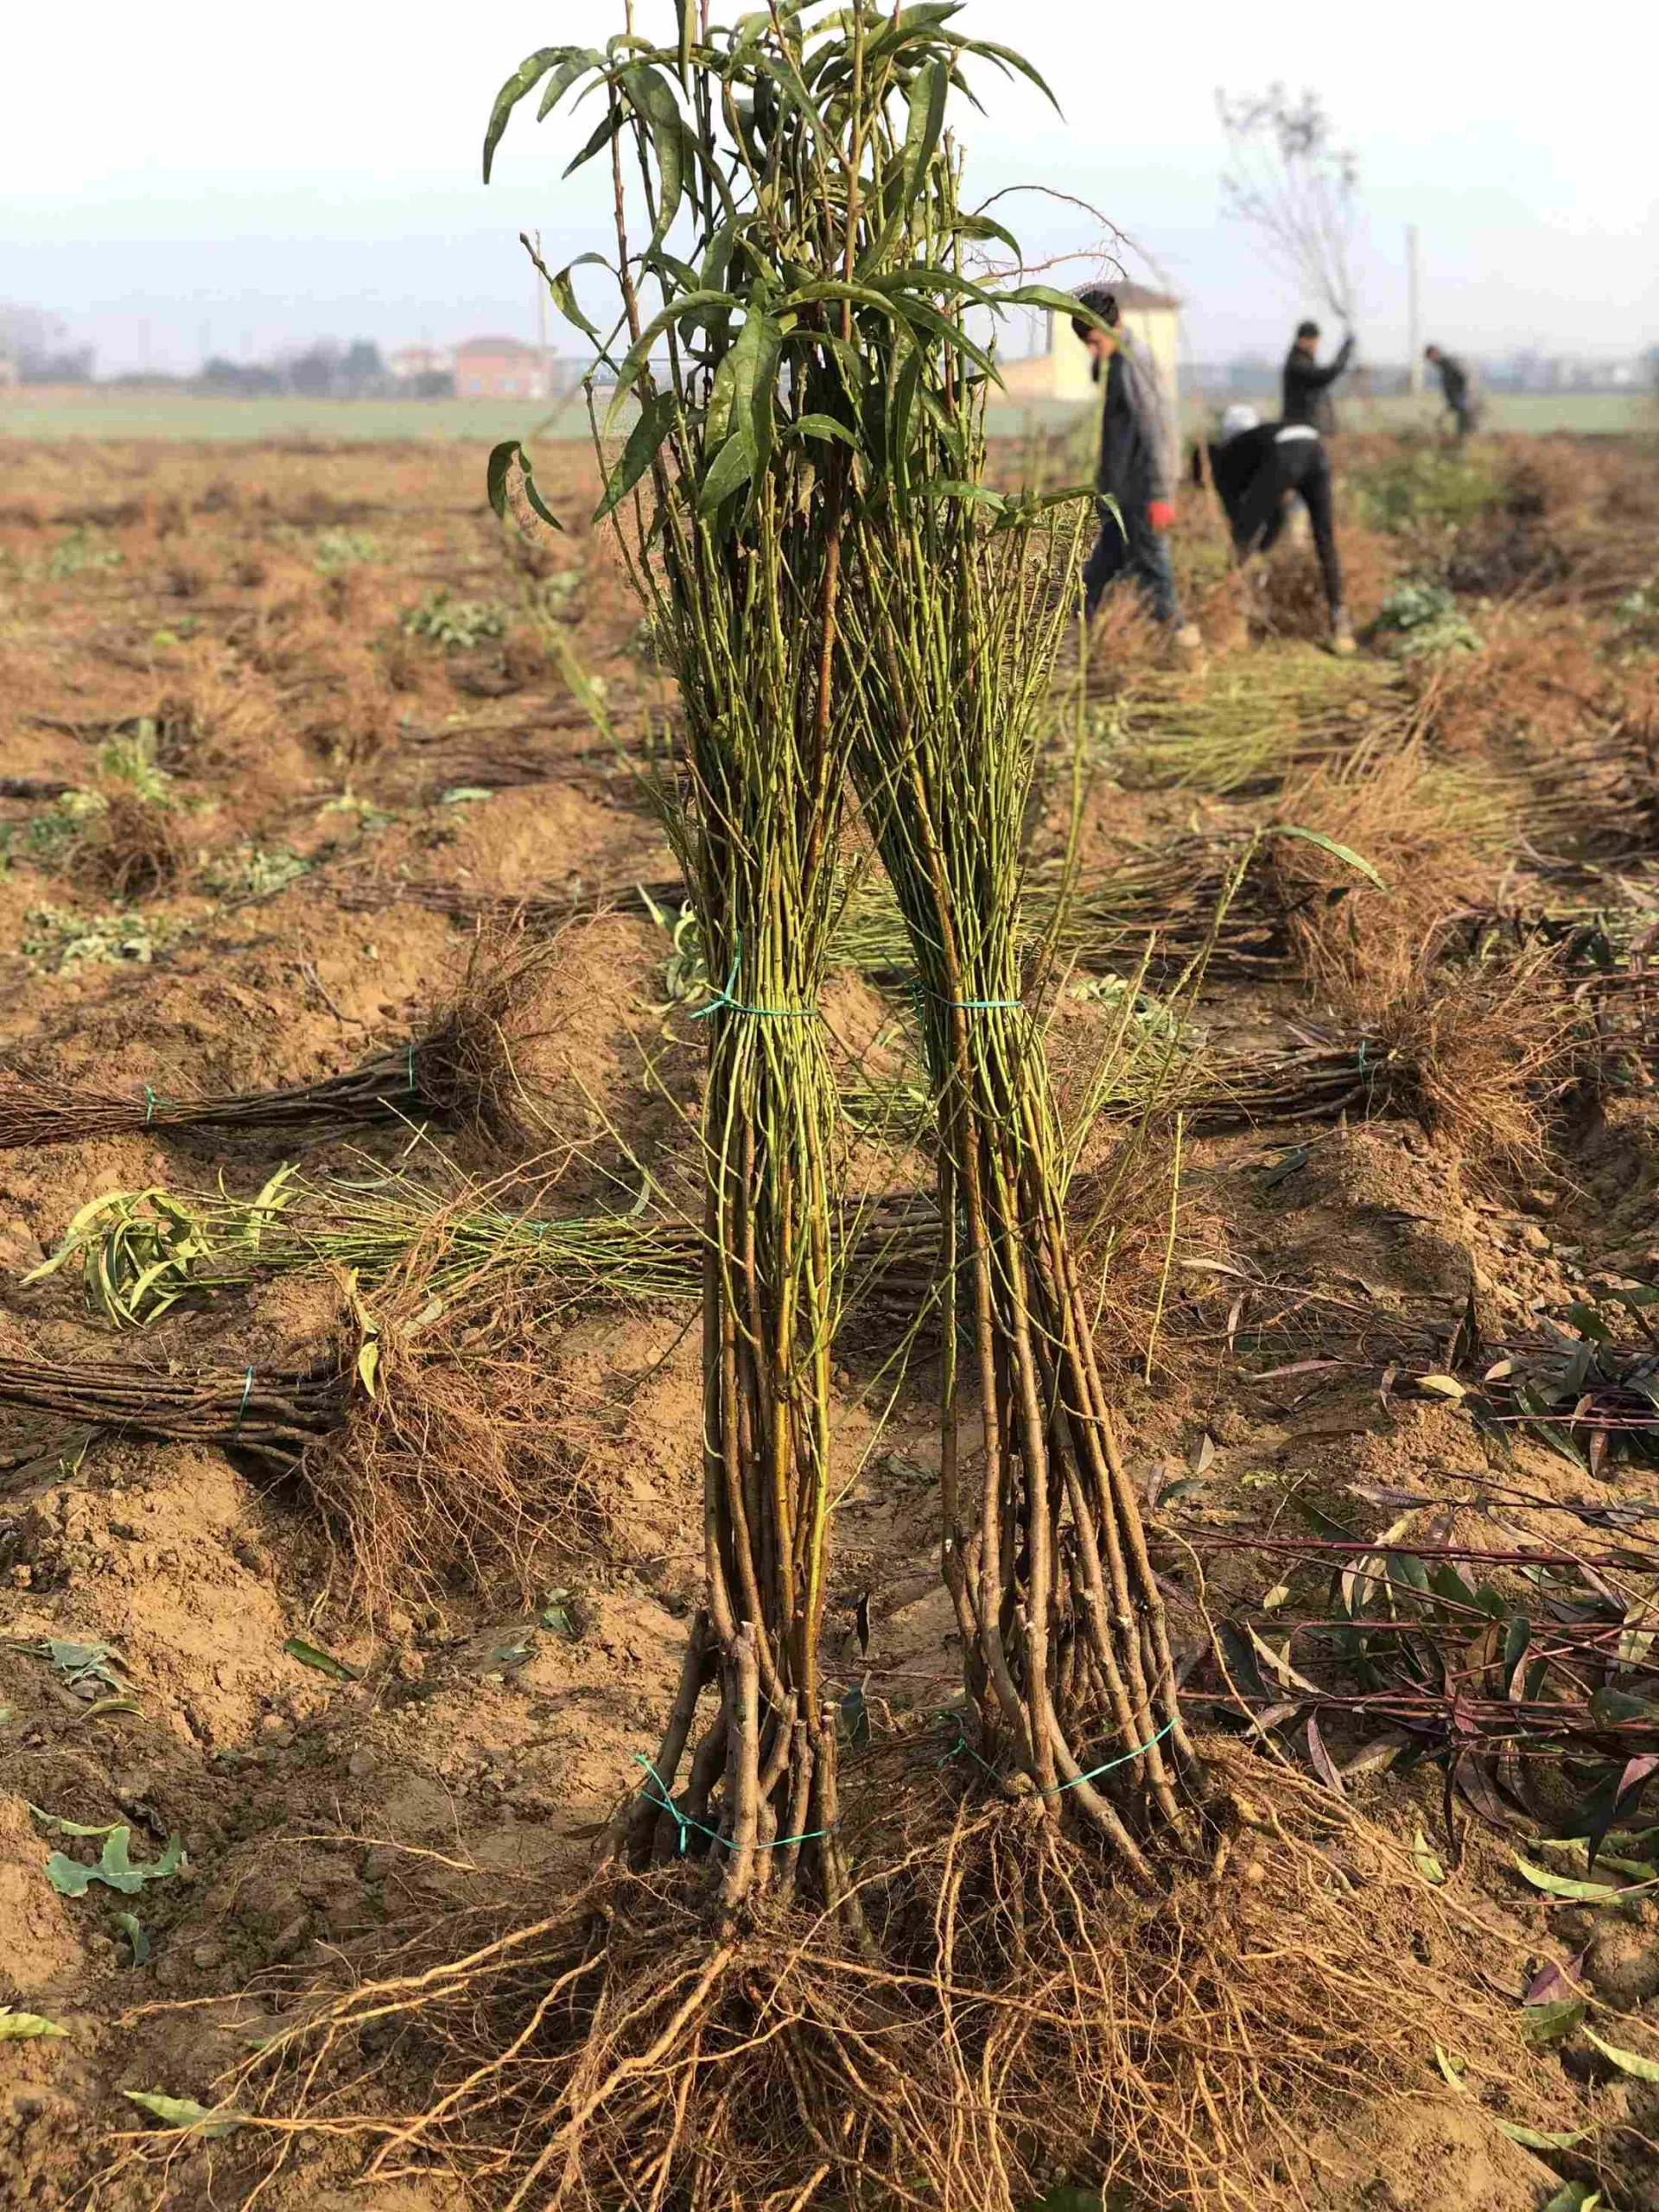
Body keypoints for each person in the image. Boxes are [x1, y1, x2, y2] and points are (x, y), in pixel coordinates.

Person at [1071, 285, 1202, 652]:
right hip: (1119, 492)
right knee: (1099, 570)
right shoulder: (1114, 359)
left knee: (1155, 570)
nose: (1093, 351)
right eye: (1088, 346)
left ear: (1116, 325)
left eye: (1096, 341)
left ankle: (1186, 649)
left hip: (1143, 490)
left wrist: (1160, 494)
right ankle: (1077, 645)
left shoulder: (1134, 362)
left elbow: (1158, 428)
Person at [1193, 404, 1354, 654]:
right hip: (1316, 447)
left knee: (1242, 541)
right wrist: (1264, 546)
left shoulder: (1224, 462)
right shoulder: (1259, 438)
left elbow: (1242, 523)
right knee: (1325, 540)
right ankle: (1340, 622)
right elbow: (1275, 514)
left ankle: (1229, 620)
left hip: (1288, 452)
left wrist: (1248, 551)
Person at [1281, 319, 1355, 434]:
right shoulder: (1297, 363)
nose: (1316, 346)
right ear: (1303, 340)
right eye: (1315, 342)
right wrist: (1345, 351)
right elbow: (1325, 375)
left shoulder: (1304, 361)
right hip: (1301, 430)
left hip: (1309, 429)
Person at [1425, 344, 1480, 443]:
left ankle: (1465, 443)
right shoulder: (1444, 366)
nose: (1431, 361)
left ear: (1435, 354)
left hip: (1466, 396)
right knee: (1464, 421)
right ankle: (1463, 441)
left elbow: (1464, 378)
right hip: (1461, 397)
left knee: (1466, 421)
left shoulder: (1449, 364)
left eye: (1430, 357)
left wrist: (1461, 396)